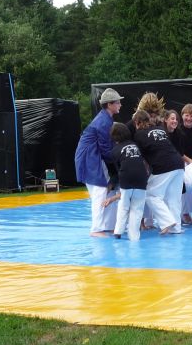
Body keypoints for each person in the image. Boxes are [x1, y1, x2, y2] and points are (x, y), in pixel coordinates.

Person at [74, 88, 122, 237]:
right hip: (90, 158)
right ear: (109, 104)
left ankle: (107, 225)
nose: (120, 104)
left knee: (107, 189)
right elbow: (106, 149)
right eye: (117, 102)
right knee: (100, 191)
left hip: (92, 157)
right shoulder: (103, 122)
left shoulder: (105, 119)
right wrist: (121, 159)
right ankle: (96, 228)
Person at [133, 109, 185, 235]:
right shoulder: (160, 129)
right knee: (174, 198)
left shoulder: (139, 134)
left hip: (163, 165)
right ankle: (176, 228)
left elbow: (142, 157)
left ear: (137, 122)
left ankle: (167, 221)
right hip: (179, 163)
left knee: (150, 194)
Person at [107, 122, 149, 241]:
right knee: (137, 207)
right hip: (141, 177)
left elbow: (117, 169)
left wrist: (112, 183)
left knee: (124, 205)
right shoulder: (135, 145)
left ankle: (118, 231)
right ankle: (134, 235)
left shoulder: (115, 151)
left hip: (126, 177)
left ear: (114, 137)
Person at [178, 104, 192, 225]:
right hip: (181, 162)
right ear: (182, 116)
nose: (189, 118)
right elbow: (178, 150)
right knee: (182, 189)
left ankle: (187, 213)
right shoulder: (178, 129)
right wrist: (188, 160)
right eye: (187, 115)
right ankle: (181, 214)